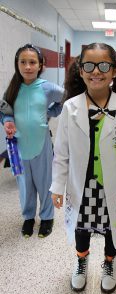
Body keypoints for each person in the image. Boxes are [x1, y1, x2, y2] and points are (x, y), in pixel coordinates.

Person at [50, 43, 116, 294]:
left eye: (104, 65)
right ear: (80, 71)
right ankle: (82, 261)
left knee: (111, 226)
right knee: (81, 226)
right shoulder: (70, 108)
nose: (96, 71)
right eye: (89, 66)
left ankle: (109, 263)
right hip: (80, 184)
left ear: (114, 71)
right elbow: (61, 153)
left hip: (112, 185)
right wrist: (57, 186)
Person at [1, 43, 64, 238]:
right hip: (18, 147)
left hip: (41, 144)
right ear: (17, 64)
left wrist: (51, 112)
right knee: (24, 185)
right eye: (23, 62)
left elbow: (66, 99)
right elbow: (4, 112)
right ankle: (28, 217)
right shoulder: (12, 90)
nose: (28, 66)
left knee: (44, 182)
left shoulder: (47, 88)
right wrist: (8, 121)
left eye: (32, 62)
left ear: (40, 65)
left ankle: (47, 217)